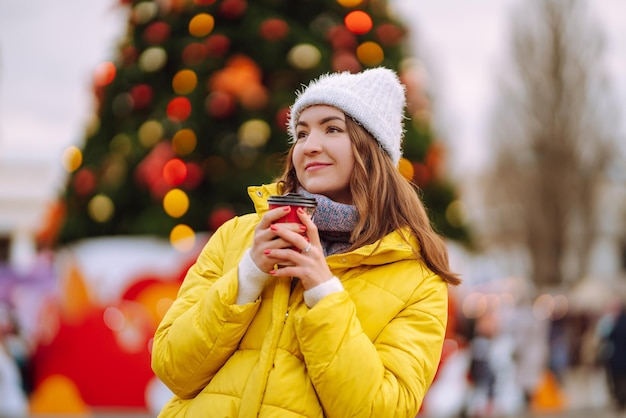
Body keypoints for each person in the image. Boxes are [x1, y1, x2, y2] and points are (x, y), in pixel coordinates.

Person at [151, 67, 461, 417]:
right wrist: (249, 275)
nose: (309, 146)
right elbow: (172, 368)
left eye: (331, 129)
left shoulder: (418, 279)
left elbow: (381, 409)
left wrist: (323, 291)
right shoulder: (236, 237)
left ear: (370, 148)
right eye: (301, 133)